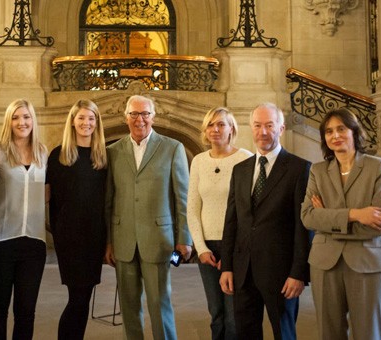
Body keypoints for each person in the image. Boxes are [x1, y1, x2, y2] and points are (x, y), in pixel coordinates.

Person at [300, 108, 381, 340]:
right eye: (328, 131)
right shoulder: (317, 171)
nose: (334, 135)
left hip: (370, 261)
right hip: (326, 263)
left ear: (354, 132)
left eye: (341, 129)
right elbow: (308, 217)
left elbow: (380, 223)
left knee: (370, 334)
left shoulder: (379, 167)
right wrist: (355, 214)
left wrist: (328, 217)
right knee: (330, 334)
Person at [219, 102, 311, 340]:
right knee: (246, 333)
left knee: (284, 333)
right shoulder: (240, 170)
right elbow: (232, 222)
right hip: (243, 270)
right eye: (258, 125)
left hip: (281, 273)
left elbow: (303, 227)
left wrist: (298, 272)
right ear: (251, 128)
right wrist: (227, 266)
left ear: (281, 129)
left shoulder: (299, 169)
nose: (263, 132)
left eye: (270, 125)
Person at [104, 95, 192, 340]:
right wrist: (109, 241)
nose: (139, 119)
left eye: (145, 114)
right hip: (123, 242)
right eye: (134, 114)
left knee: (159, 304)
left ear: (154, 117)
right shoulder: (112, 151)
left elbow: (182, 197)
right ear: (125, 118)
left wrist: (184, 237)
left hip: (159, 240)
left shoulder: (172, 148)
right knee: (129, 309)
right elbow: (109, 201)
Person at [187, 107, 252, 340]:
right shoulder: (198, 161)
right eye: (211, 124)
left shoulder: (245, 158)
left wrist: (234, 251)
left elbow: (248, 210)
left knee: (235, 314)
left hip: (234, 245)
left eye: (221, 124)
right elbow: (192, 209)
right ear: (205, 130)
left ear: (231, 129)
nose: (215, 129)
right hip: (207, 247)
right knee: (216, 313)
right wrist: (201, 249)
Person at [0, 99, 48, 340]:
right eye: (16, 117)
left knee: (26, 312)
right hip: (2, 240)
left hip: (34, 243)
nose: (22, 122)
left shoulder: (42, 152)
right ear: (8, 121)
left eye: (26, 117)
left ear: (33, 120)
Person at [46, 99, 108, 340]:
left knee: (84, 296)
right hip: (69, 237)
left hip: (94, 236)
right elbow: (42, 193)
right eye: (81, 118)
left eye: (91, 118)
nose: (86, 123)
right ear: (72, 121)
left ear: (97, 123)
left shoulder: (103, 155)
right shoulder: (59, 154)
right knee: (77, 297)